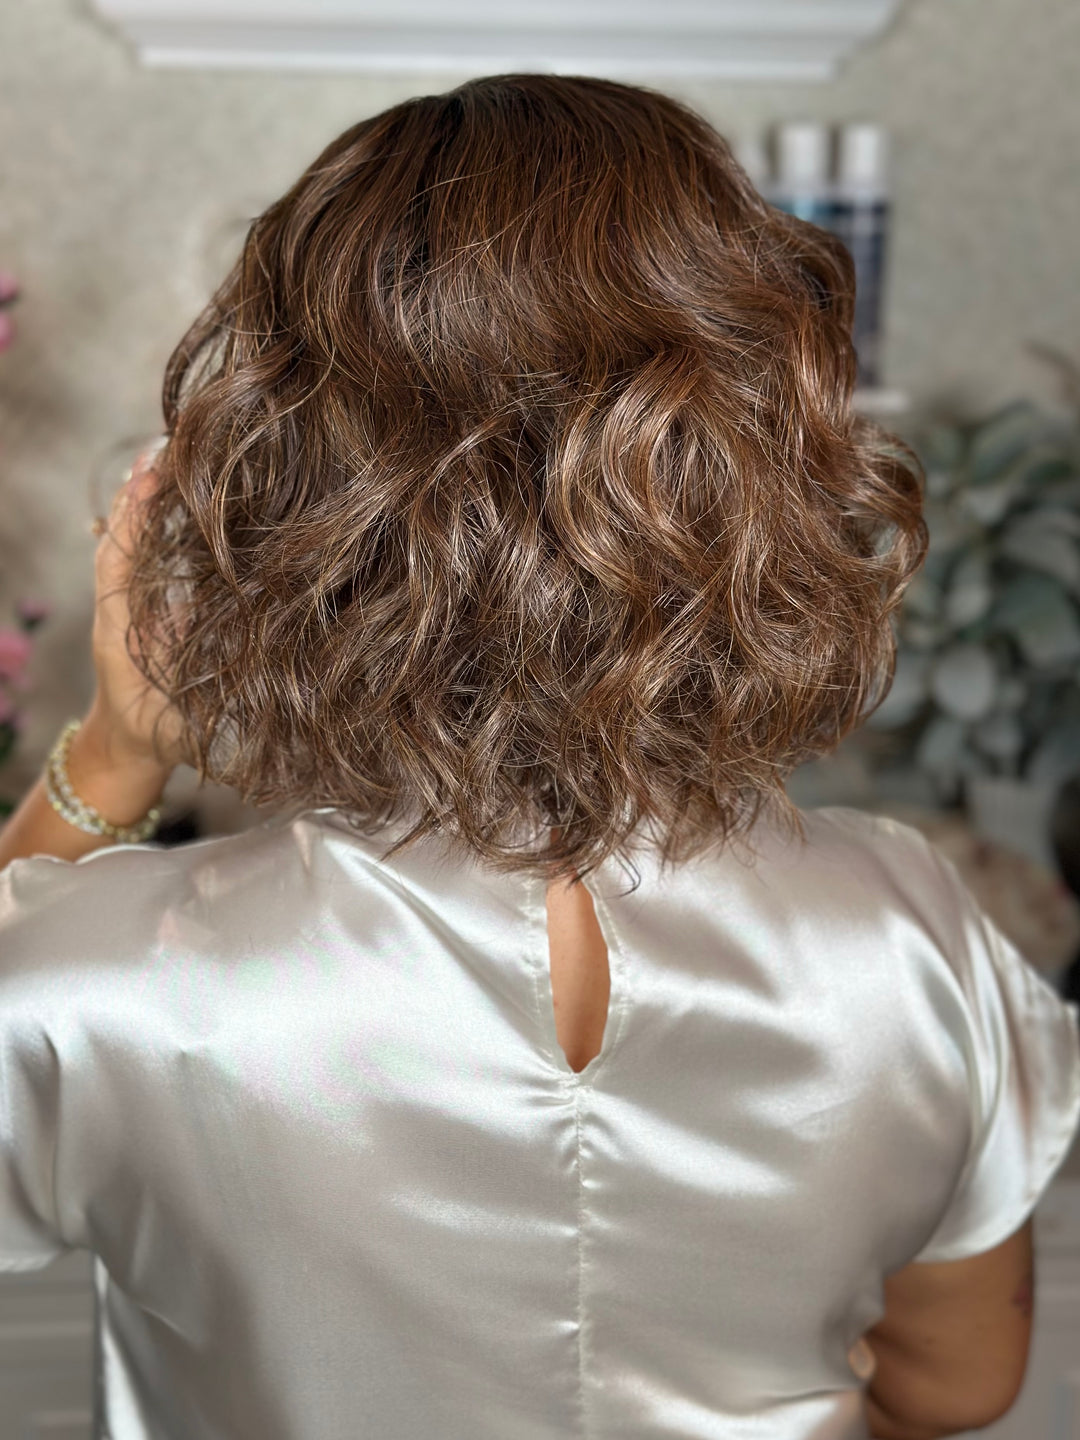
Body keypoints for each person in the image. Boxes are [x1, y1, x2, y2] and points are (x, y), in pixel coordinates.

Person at [1, 73, 1077, 1440]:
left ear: (284, 482)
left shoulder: (112, 985)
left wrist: (112, 758)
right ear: (758, 458)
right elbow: (955, 1386)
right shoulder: (911, 936)